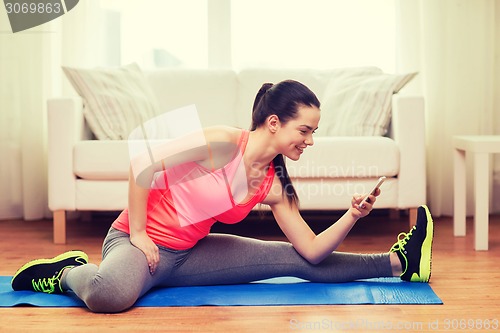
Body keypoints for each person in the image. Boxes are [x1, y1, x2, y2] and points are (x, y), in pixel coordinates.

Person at [11, 80, 434, 313]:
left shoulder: (273, 185)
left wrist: (352, 216)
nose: (310, 141)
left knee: (293, 260)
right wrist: (138, 232)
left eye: (313, 132)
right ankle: (67, 272)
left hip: (189, 255)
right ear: (273, 122)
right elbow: (142, 162)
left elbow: (312, 250)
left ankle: (400, 261)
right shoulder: (221, 142)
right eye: (304, 130)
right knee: (108, 296)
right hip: (138, 244)